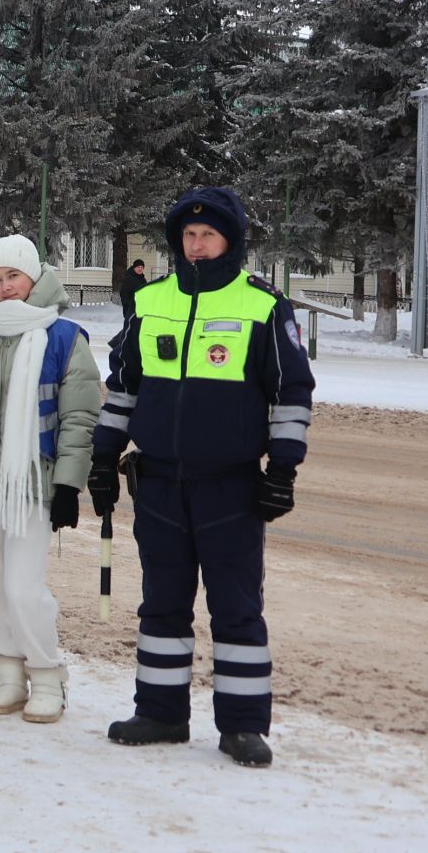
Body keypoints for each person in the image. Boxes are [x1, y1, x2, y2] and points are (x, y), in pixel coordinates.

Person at [88, 186, 314, 767]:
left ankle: (242, 726)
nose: (196, 244)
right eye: (188, 236)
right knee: (161, 603)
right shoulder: (149, 299)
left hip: (230, 486)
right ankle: (160, 713)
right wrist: (101, 459)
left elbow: (292, 393)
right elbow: (124, 388)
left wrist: (282, 470)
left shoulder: (263, 305)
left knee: (236, 606)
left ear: (230, 240)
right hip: (159, 482)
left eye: (208, 235)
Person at [0, 235, 102, 722]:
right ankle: (9, 674)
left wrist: (68, 486)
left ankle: (48, 676)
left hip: (33, 485)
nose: (4, 287)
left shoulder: (63, 338)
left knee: (22, 588)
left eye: (13, 275)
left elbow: (79, 419)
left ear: (34, 276)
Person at [119, 258, 148, 322]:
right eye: (138, 267)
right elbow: (124, 293)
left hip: (141, 310)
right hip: (130, 310)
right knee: (130, 328)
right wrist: (129, 306)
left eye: (142, 267)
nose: (140, 269)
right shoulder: (129, 278)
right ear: (134, 268)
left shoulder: (143, 279)